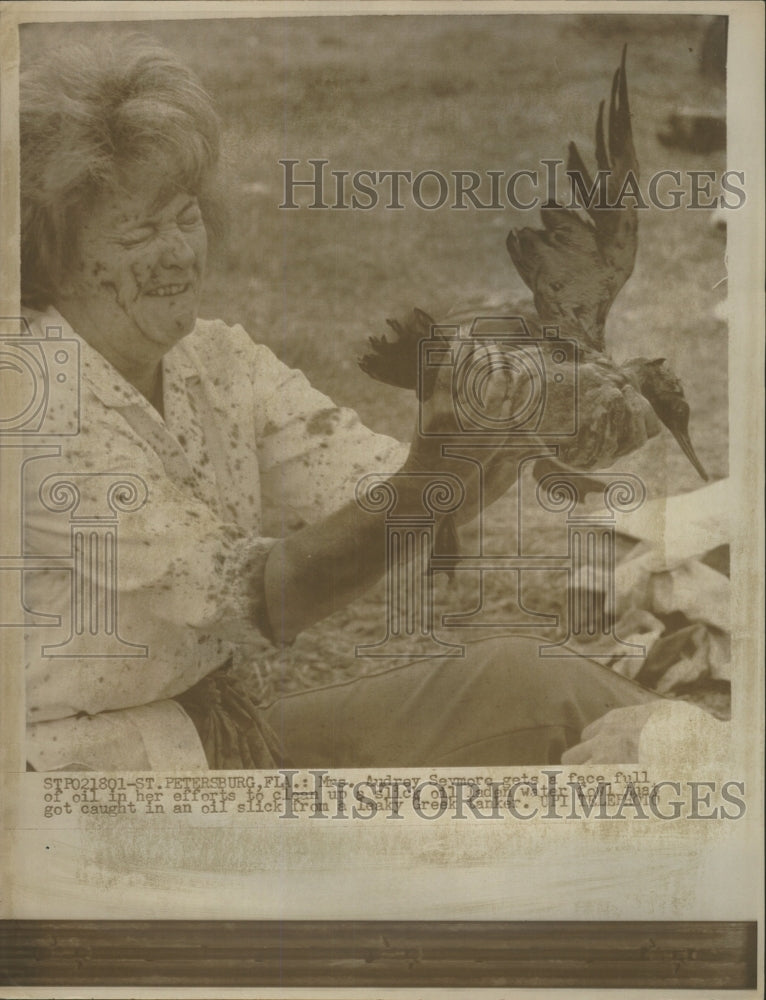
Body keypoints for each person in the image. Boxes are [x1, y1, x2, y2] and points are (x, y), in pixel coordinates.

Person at [20, 37, 668, 772]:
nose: (176, 252)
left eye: (186, 217)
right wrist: (432, 476)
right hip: (73, 802)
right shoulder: (34, 403)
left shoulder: (214, 361)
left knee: (536, 687)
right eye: (138, 231)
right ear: (46, 252)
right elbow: (267, 595)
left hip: (195, 744)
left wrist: (532, 425)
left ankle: (713, 760)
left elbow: (394, 492)